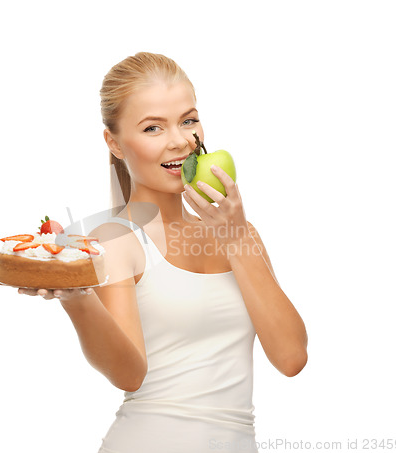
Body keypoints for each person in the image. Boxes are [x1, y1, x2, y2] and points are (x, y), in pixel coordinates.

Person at [18, 51, 308, 453]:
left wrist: (237, 238)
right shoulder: (118, 238)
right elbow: (129, 374)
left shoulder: (241, 232)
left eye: (188, 121)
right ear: (114, 143)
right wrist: (77, 299)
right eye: (153, 128)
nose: (178, 141)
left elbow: (291, 358)